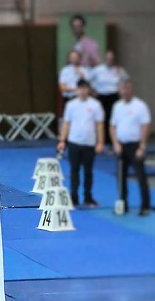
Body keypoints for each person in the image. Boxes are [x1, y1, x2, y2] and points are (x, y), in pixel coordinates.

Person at [57, 79, 104, 207]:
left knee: (88, 171)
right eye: (80, 89)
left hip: (89, 143)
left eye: (85, 88)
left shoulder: (95, 105)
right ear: (77, 90)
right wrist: (62, 140)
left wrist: (100, 142)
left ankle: (88, 197)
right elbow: (66, 124)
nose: (83, 91)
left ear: (88, 89)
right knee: (74, 171)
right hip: (74, 142)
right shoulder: (71, 105)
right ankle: (74, 197)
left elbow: (99, 125)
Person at [110, 80, 152, 216]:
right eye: (123, 89)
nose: (125, 91)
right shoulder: (117, 106)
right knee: (121, 177)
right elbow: (112, 126)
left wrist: (142, 146)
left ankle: (145, 206)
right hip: (121, 145)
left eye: (127, 89)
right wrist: (115, 143)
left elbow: (145, 126)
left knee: (140, 176)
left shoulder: (140, 106)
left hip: (135, 145)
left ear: (131, 90)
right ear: (120, 91)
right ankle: (123, 205)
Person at [90, 50, 129, 146]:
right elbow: (88, 80)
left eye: (111, 58)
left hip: (114, 96)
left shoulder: (119, 70)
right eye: (108, 58)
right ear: (105, 59)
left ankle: (112, 140)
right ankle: (101, 140)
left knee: (113, 118)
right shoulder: (98, 70)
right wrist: (92, 91)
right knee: (101, 117)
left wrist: (122, 90)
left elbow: (126, 81)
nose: (110, 60)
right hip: (101, 96)